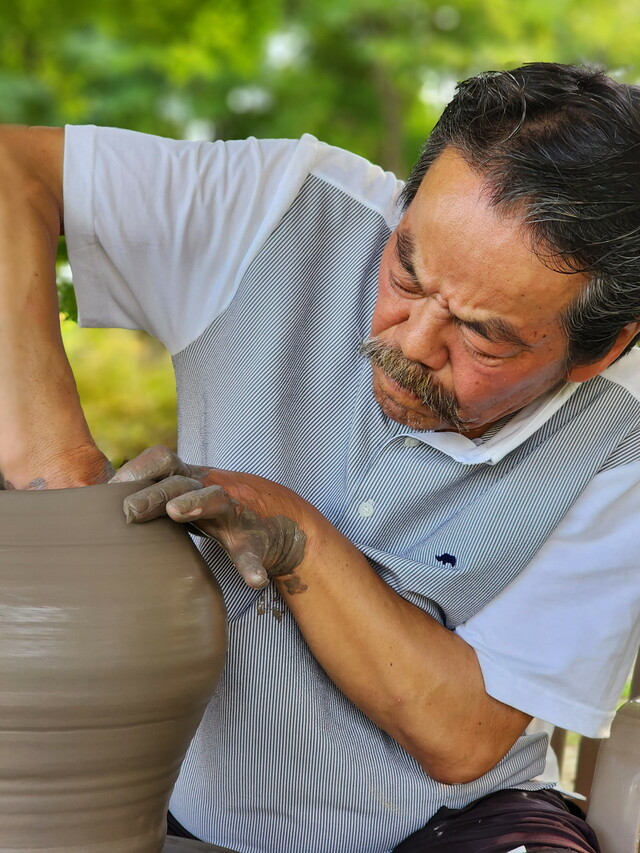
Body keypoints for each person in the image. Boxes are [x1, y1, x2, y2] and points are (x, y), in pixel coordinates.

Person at [1, 62, 639, 853]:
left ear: (602, 349)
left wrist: (294, 533)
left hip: (450, 823)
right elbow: (9, 170)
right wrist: (60, 477)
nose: (408, 342)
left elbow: (463, 735)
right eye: (407, 269)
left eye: (482, 334)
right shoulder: (278, 211)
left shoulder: (624, 436)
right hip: (172, 803)